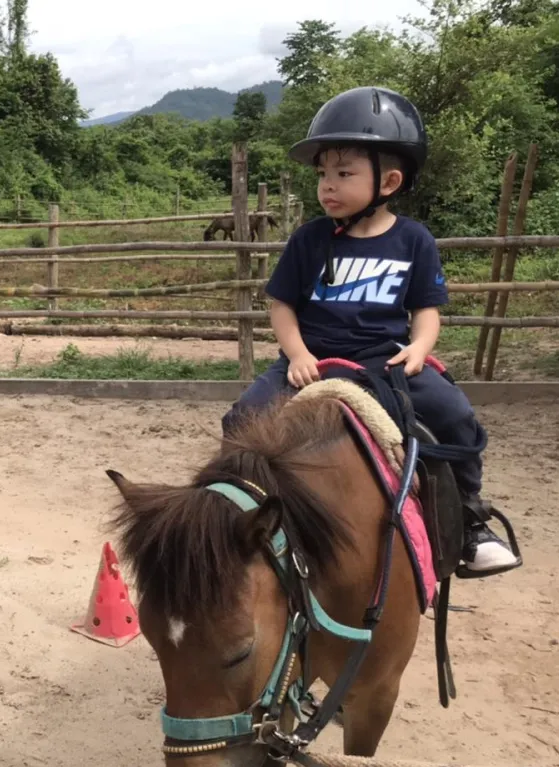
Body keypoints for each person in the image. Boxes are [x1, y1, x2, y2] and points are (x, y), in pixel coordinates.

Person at [220, 86, 520, 577]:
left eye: (343, 174)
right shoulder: (309, 239)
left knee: (455, 415)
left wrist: (420, 347)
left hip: (385, 359)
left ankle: (470, 519)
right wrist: (297, 354)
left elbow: (426, 310)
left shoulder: (413, 240)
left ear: (389, 181)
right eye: (322, 174)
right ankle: (232, 517)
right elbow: (281, 306)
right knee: (241, 418)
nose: (327, 185)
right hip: (313, 359)